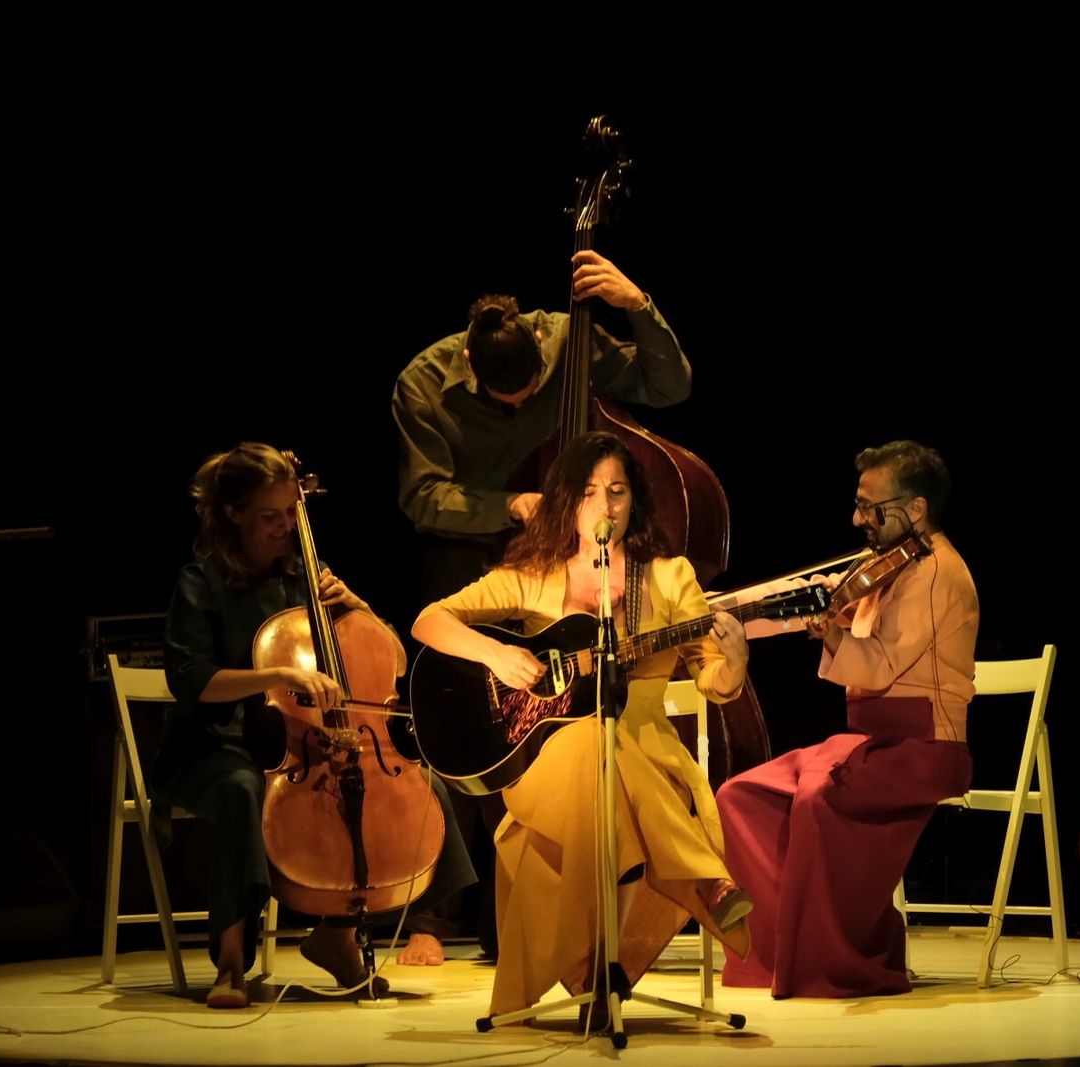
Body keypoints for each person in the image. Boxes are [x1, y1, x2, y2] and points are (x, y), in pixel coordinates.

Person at [411, 431, 752, 1028]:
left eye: (618, 492)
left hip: (645, 748)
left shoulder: (669, 577)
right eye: (591, 492)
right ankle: (705, 878)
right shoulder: (531, 572)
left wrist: (738, 662)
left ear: (634, 502)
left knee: (610, 747)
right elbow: (428, 620)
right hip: (546, 757)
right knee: (593, 742)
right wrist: (495, 655)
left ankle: (601, 972)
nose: (606, 506)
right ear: (569, 502)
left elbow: (713, 679)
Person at [155, 443, 474, 1008]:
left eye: (290, 513)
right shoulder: (200, 582)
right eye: (270, 516)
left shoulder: (307, 575)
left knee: (424, 793)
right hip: (215, 746)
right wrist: (274, 674)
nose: (285, 526)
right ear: (233, 514)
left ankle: (337, 938)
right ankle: (231, 964)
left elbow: (386, 657)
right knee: (240, 789)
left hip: (301, 746)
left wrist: (361, 606)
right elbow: (191, 680)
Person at [714, 440, 980, 998]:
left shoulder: (936, 575)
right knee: (741, 796)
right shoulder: (886, 568)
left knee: (816, 800)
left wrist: (832, 632)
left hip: (922, 747)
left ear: (915, 510)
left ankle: (837, 960)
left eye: (870, 508)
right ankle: (781, 952)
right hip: (873, 741)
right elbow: (797, 608)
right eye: (858, 505)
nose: (857, 518)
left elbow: (880, 667)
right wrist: (721, 613)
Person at [392, 251, 691, 606]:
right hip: (478, 547)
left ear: (538, 341)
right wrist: (512, 505)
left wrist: (638, 306)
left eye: (531, 395)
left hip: (581, 549)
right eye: (507, 402)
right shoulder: (421, 385)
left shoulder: (566, 339)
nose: (520, 407)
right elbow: (423, 496)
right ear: (470, 364)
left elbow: (667, 389)